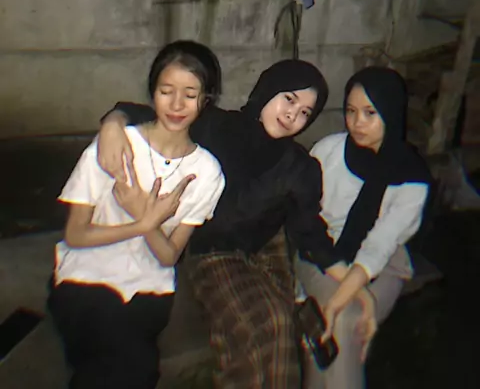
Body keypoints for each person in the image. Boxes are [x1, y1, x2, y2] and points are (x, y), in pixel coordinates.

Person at [97, 58, 377, 388]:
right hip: (214, 250)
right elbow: (145, 114)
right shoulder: (214, 126)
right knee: (271, 322)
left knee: (278, 334)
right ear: (268, 90)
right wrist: (113, 124)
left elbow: (310, 234)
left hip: (267, 252)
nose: (293, 115)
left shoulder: (300, 166)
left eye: (305, 112)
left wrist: (355, 284)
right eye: (289, 99)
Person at [48, 40, 225, 389]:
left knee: (126, 364)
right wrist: (144, 222)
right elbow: (76, 235)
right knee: (127, 365)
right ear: (152, 92)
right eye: (166, 91)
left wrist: (144, 219)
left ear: (206, 100)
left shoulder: (207, 172)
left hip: (148, 285)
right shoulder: (116, 145)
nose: (177, 104)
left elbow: (168, 256)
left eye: (190, 94)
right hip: (85, 274)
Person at [295, 66, 432, 389]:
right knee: (345, 321)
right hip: (321, 252)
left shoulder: (411, 176)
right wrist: (349, 295)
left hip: (384, 262)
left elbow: (380, 245)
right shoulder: (328, 151)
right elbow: (304, 222)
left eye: (370, 113)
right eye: (351, 111)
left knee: (340, 319)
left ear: (391, 112)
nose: (357, 122)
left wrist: (339, 299)